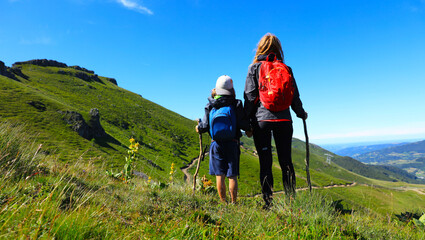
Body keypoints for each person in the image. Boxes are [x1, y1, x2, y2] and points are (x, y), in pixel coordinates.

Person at [244, 33, 307, 209]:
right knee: (286, 161)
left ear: (260, 47)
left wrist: (246, 124)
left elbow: (249, 98)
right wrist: (301, 113)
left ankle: (268, 203)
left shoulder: (254, 68)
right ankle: (291, 201)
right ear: (278, 48)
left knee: (265, 162)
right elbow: (295, 95)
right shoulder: (286, 68)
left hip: (261, 121)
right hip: (284, 120)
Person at [196, 75, 251, 204]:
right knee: (232, 176)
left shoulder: (210, 105)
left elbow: (204, 126)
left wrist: (198, 128)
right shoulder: (236, 103)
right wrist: (249, 129)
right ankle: (234, 203)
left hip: (216, 144)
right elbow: (242, 123)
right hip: (232, 143)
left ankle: (223, 203)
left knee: (219, 175)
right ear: (231, 89)